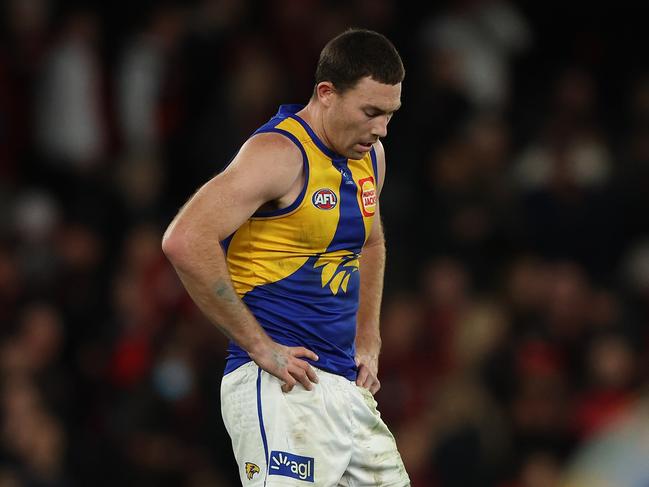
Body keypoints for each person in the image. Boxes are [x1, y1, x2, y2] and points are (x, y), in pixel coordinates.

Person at [162, 28, 410, 486]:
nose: (380, 129)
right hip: (281, 386)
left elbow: (370, 242)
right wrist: (259, 346)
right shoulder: (277, 154)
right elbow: (185, 239)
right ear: (326, 94)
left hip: (344, 390)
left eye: (390, 115)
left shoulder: (370, 156)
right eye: (371, 112)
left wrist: (368, 337)